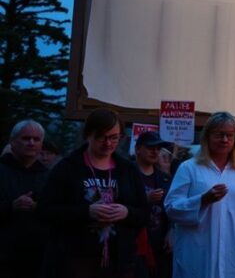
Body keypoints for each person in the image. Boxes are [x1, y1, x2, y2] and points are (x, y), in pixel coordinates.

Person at [37, 108, 150, 278]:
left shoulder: (127, 170)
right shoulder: (68, 167)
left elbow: (144, 213)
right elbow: (45, 210)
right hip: (75, 260)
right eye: (101, 136)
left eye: (114, 137)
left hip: (120, 261)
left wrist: (127, 212)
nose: (108, 143)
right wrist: (86, 212)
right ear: (88, 134)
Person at [164, 111, 235, 278]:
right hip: (197, 251)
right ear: (207, 136)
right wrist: (202, 201)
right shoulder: (189, 168)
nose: (224, 140)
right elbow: (171, 207)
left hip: (233, 252)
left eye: (229, 135)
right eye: (219, 135)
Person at [0, 120, 49, 278]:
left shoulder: (48, 176)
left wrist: (38, 207)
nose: (31, 143)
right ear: (13, 142)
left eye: (36, 139)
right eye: (26, 138)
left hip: (37, 255)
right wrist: (11, 206)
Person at [133, 131, 174, 278]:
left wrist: (171, 231)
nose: (155, 151)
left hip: (160, 244)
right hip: (134, 243)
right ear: (138, 148)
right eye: (150, 147)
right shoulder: (126, 173)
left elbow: (171, 208)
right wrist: (145, 199)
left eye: (158, 148)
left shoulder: (164, 178)